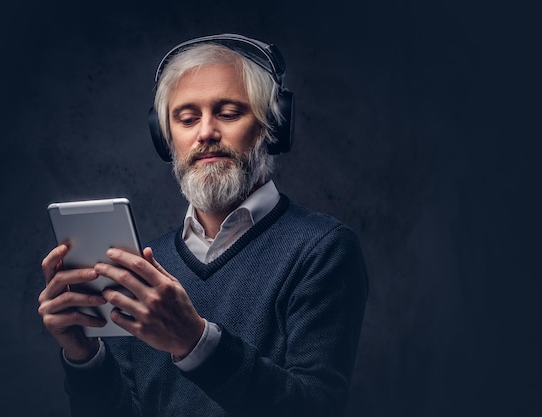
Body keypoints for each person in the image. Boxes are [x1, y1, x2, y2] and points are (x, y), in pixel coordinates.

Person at [38, 33, 368, 417]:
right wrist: (85, 358)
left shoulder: (323, 249)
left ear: (270, 127)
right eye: (187, 118)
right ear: (167, 140)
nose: (206, 132)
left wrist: (194, 341)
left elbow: (316, 409)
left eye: (228, 113)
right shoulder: (145, 267)